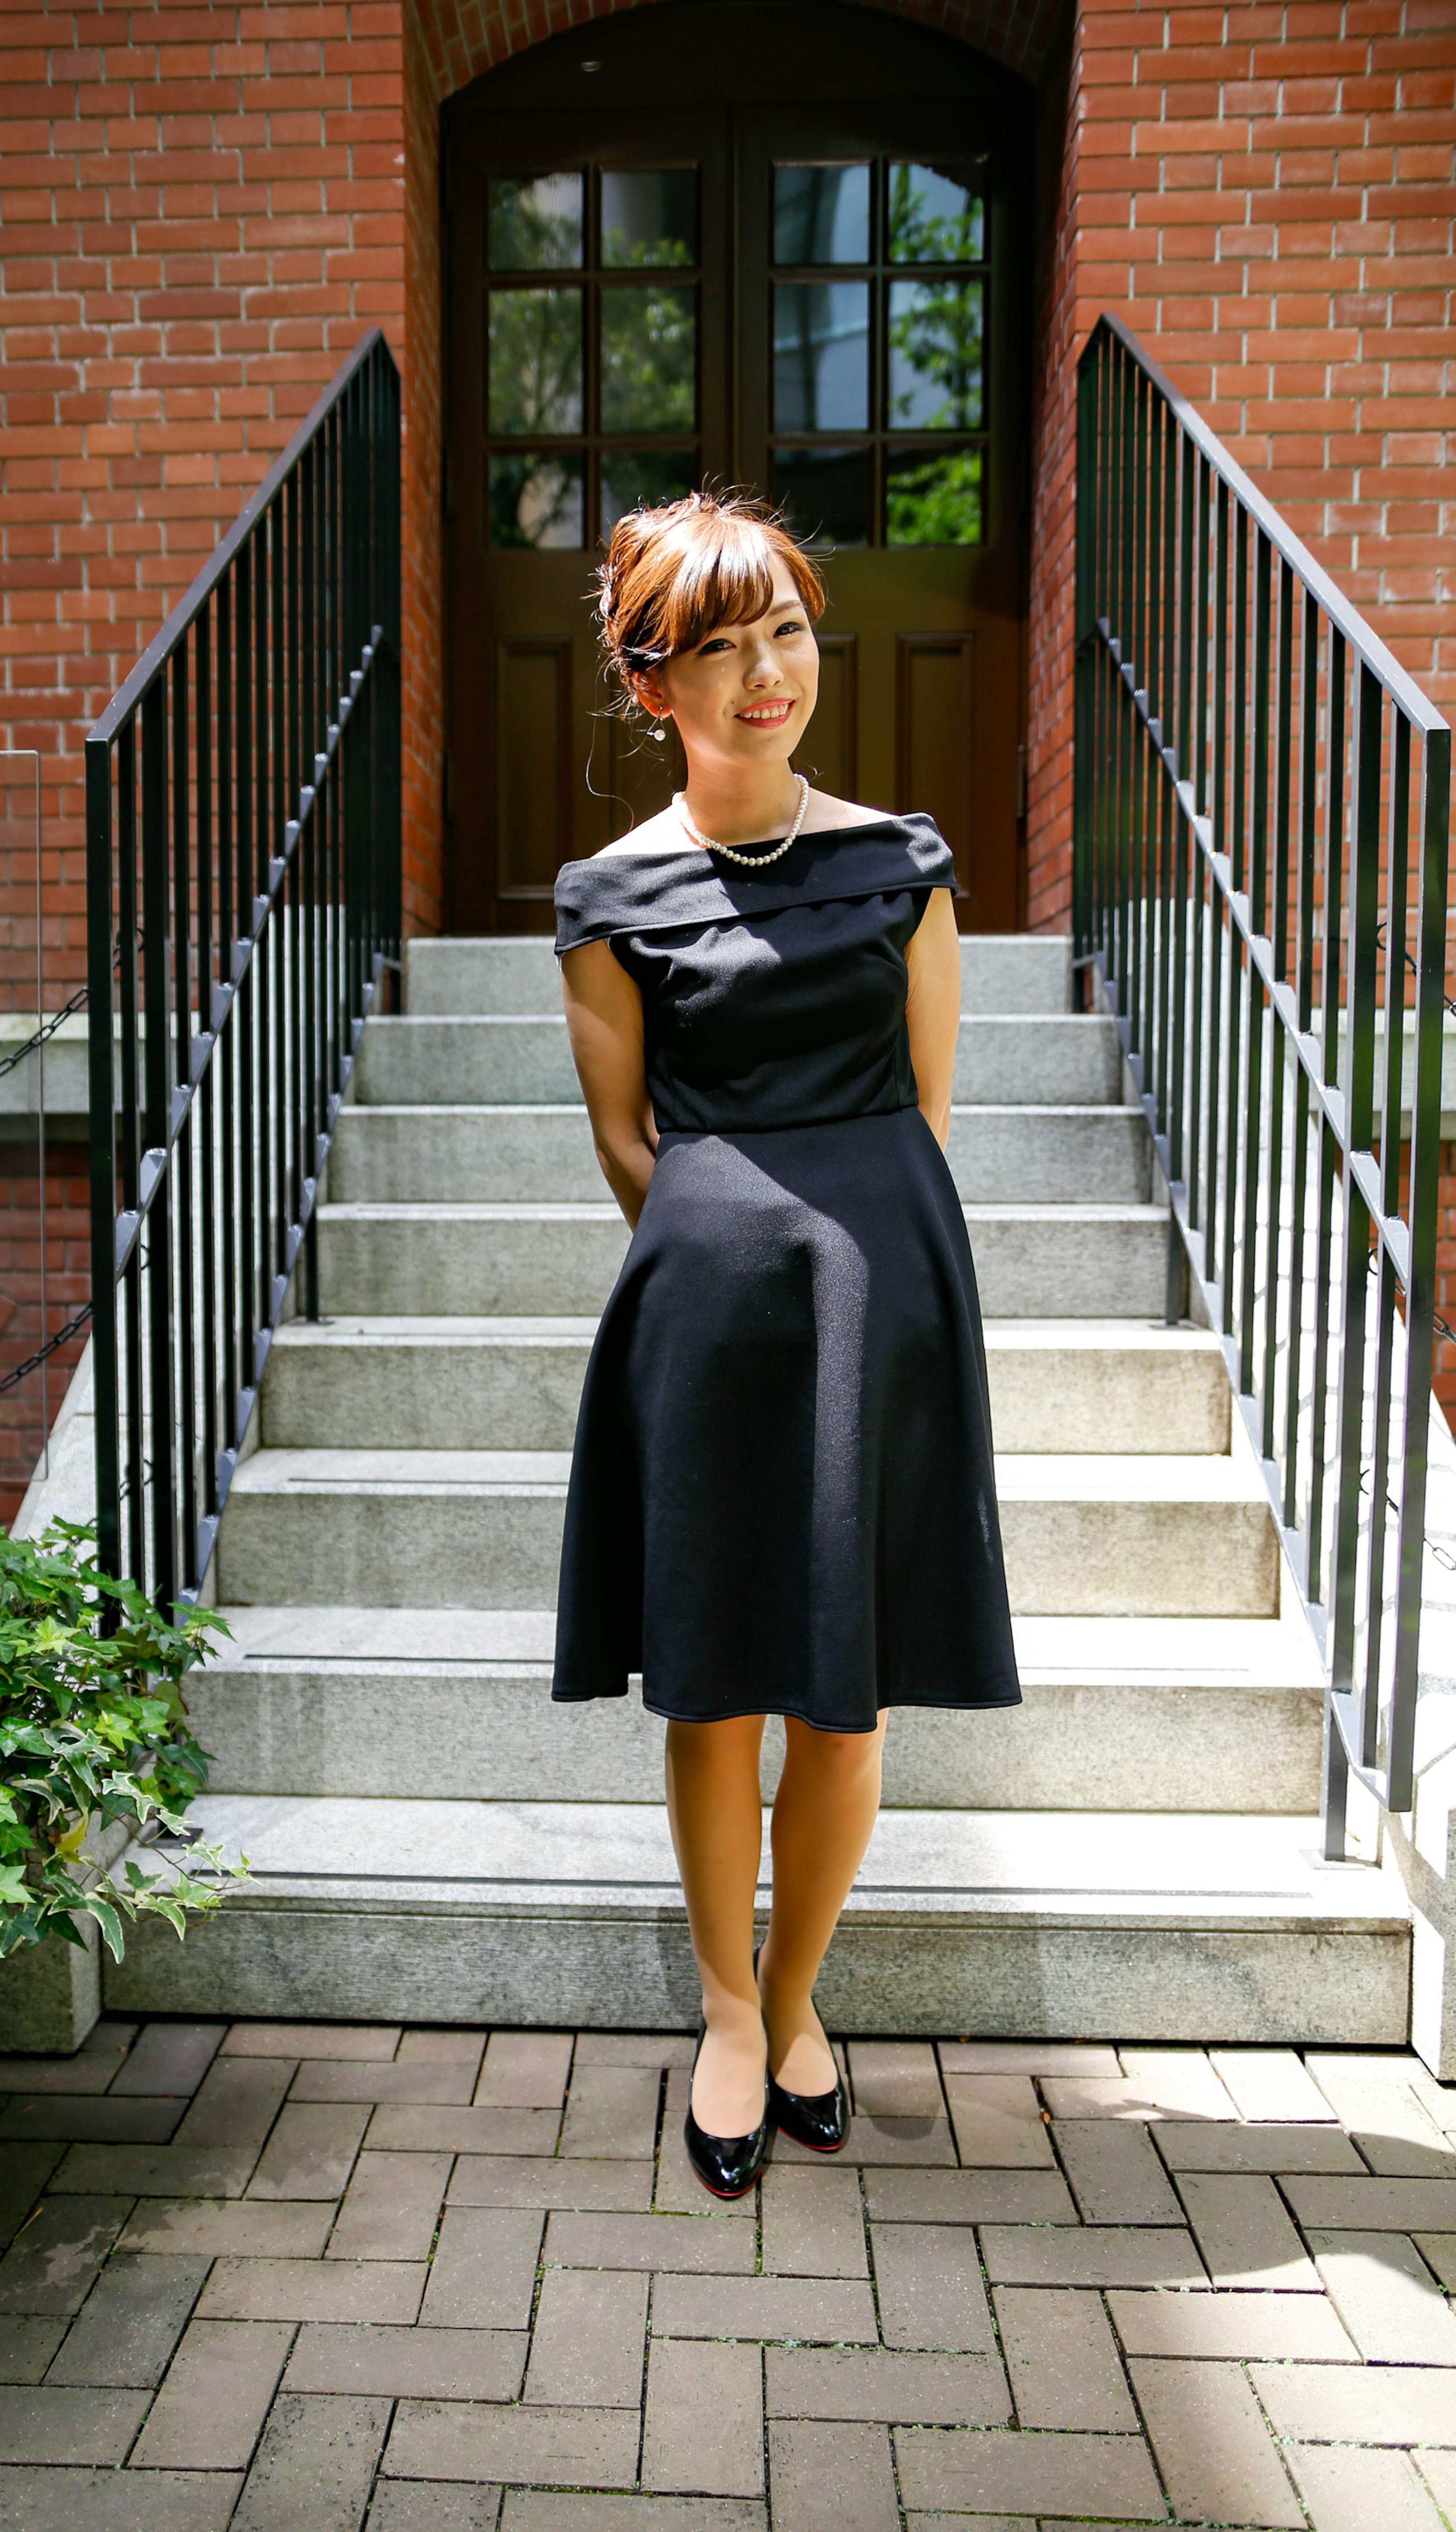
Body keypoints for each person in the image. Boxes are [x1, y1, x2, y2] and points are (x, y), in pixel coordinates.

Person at [552, 489, 1020, 2197]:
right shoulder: (609, 898)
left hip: (880, 1307)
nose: (769, 675)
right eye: (725, 648)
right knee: (717, 1678)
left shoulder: (903, 862)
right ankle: (728, 2011)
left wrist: (865, 1273)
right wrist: (718, 1264)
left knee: (847, 1694)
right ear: (652, 679)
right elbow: (626, 1140)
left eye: (791, 636)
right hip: (711, 1322)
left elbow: (929, 1106)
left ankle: (807, 1995)